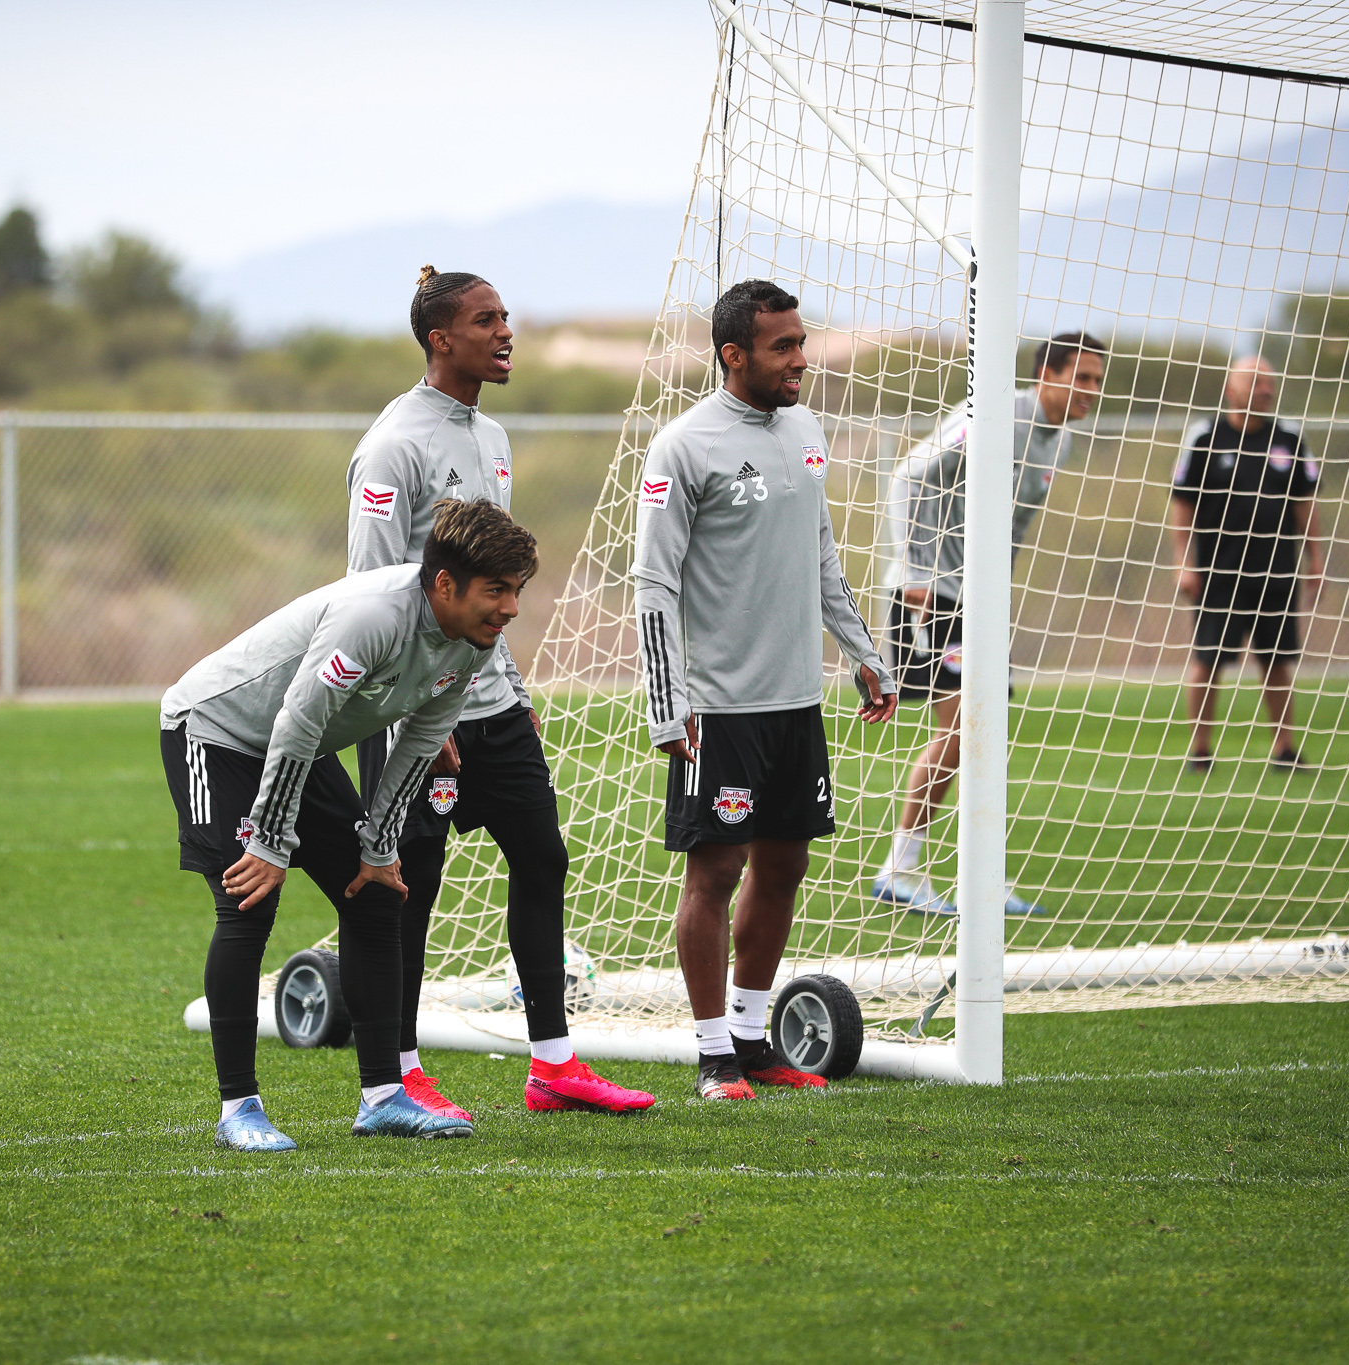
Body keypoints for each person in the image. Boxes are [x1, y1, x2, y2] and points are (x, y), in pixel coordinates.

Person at [346, 266, 654, 1118]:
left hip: (492, 701)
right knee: (412, 885)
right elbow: (373, 591)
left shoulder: (493, 437)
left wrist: (508, 684)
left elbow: (486, 588)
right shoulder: (392, 446)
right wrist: (414, 713)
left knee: (542, 856)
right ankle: (400, 1069)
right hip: (415, 711)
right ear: (441, 339)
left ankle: (553, 1065)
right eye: (487, 320)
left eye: (507, 316)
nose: (506, 331)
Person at [160, 499, 537, 1151]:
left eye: (516, 591)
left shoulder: (474, 641)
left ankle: (383, 1096)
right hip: (217, 732)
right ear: (445, 584)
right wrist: (272, 842)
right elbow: (297, 721)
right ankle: (238, 1110)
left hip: (297, 745)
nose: (509, 608)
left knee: (376, 895)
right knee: (249, 897)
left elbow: (420, 741)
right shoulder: (374, 616)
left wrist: (378, 846)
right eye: (496, 590)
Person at [633, 278, 899, 1102]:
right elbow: (652, 583)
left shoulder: (807, 429)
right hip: (718, 710)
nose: (800, 360)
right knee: (712, 874)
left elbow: (821, 554)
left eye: (801, 343)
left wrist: (864, 652)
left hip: (794, 703)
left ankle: (753, 1043)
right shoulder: (684, 446)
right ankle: (713, 1055)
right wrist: (665, 705)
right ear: (733, 354)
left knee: (784, 865)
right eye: (782, 347)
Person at [869, 331, 1107, 918]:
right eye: (1082, 377)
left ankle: (979, 878)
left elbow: (1013, 525)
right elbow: (908, 475)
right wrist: (918, 567)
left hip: (978, 601)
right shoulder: (993, 413)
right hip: (929, 595)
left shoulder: (1062, 443)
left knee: (984, 734)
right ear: (1047, 373)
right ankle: (898, 868)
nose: (1091, 392)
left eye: (1098, 382)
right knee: (960, 730)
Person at [1168, 354, 1326, 772]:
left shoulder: (1290, 439)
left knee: (1275, 661)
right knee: (1207, 660)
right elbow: (1182, 505)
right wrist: (1183, 563)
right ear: (1231, 389)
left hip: (1276, 571)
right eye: (1255, 382)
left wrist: (1316, 558)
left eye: (1270, 383)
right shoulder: (1204, 437)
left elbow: (1305, 503)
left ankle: (1284, 750)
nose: (1266, 390)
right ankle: (1199, 749)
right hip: (1217, 574)